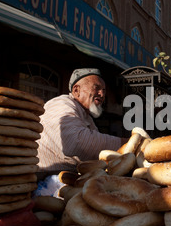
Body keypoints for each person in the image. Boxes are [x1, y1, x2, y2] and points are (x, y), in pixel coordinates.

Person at [35, 68, 125, 196]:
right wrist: (125, 143)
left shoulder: (86, 117)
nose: (102, 94)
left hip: (67, 180)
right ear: (76, 90)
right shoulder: (61, 103)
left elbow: (96, 154)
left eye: (104, 91)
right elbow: (77, 142)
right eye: (96, 88)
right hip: (44, 184)